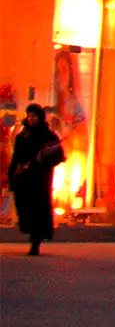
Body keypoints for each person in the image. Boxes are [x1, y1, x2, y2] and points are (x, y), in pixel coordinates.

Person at [8, 104, 61, 257]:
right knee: (25, 209)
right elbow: (16, 156)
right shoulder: (22, 136)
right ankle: (31, 234)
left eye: (34, 116)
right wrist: (12, 174)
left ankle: (35, 242)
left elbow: (57, 155)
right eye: (29, 116)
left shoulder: (47, 136)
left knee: (38, 210)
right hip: (24, 179)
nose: (31, 119)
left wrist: (41, 160)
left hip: (39, 180)